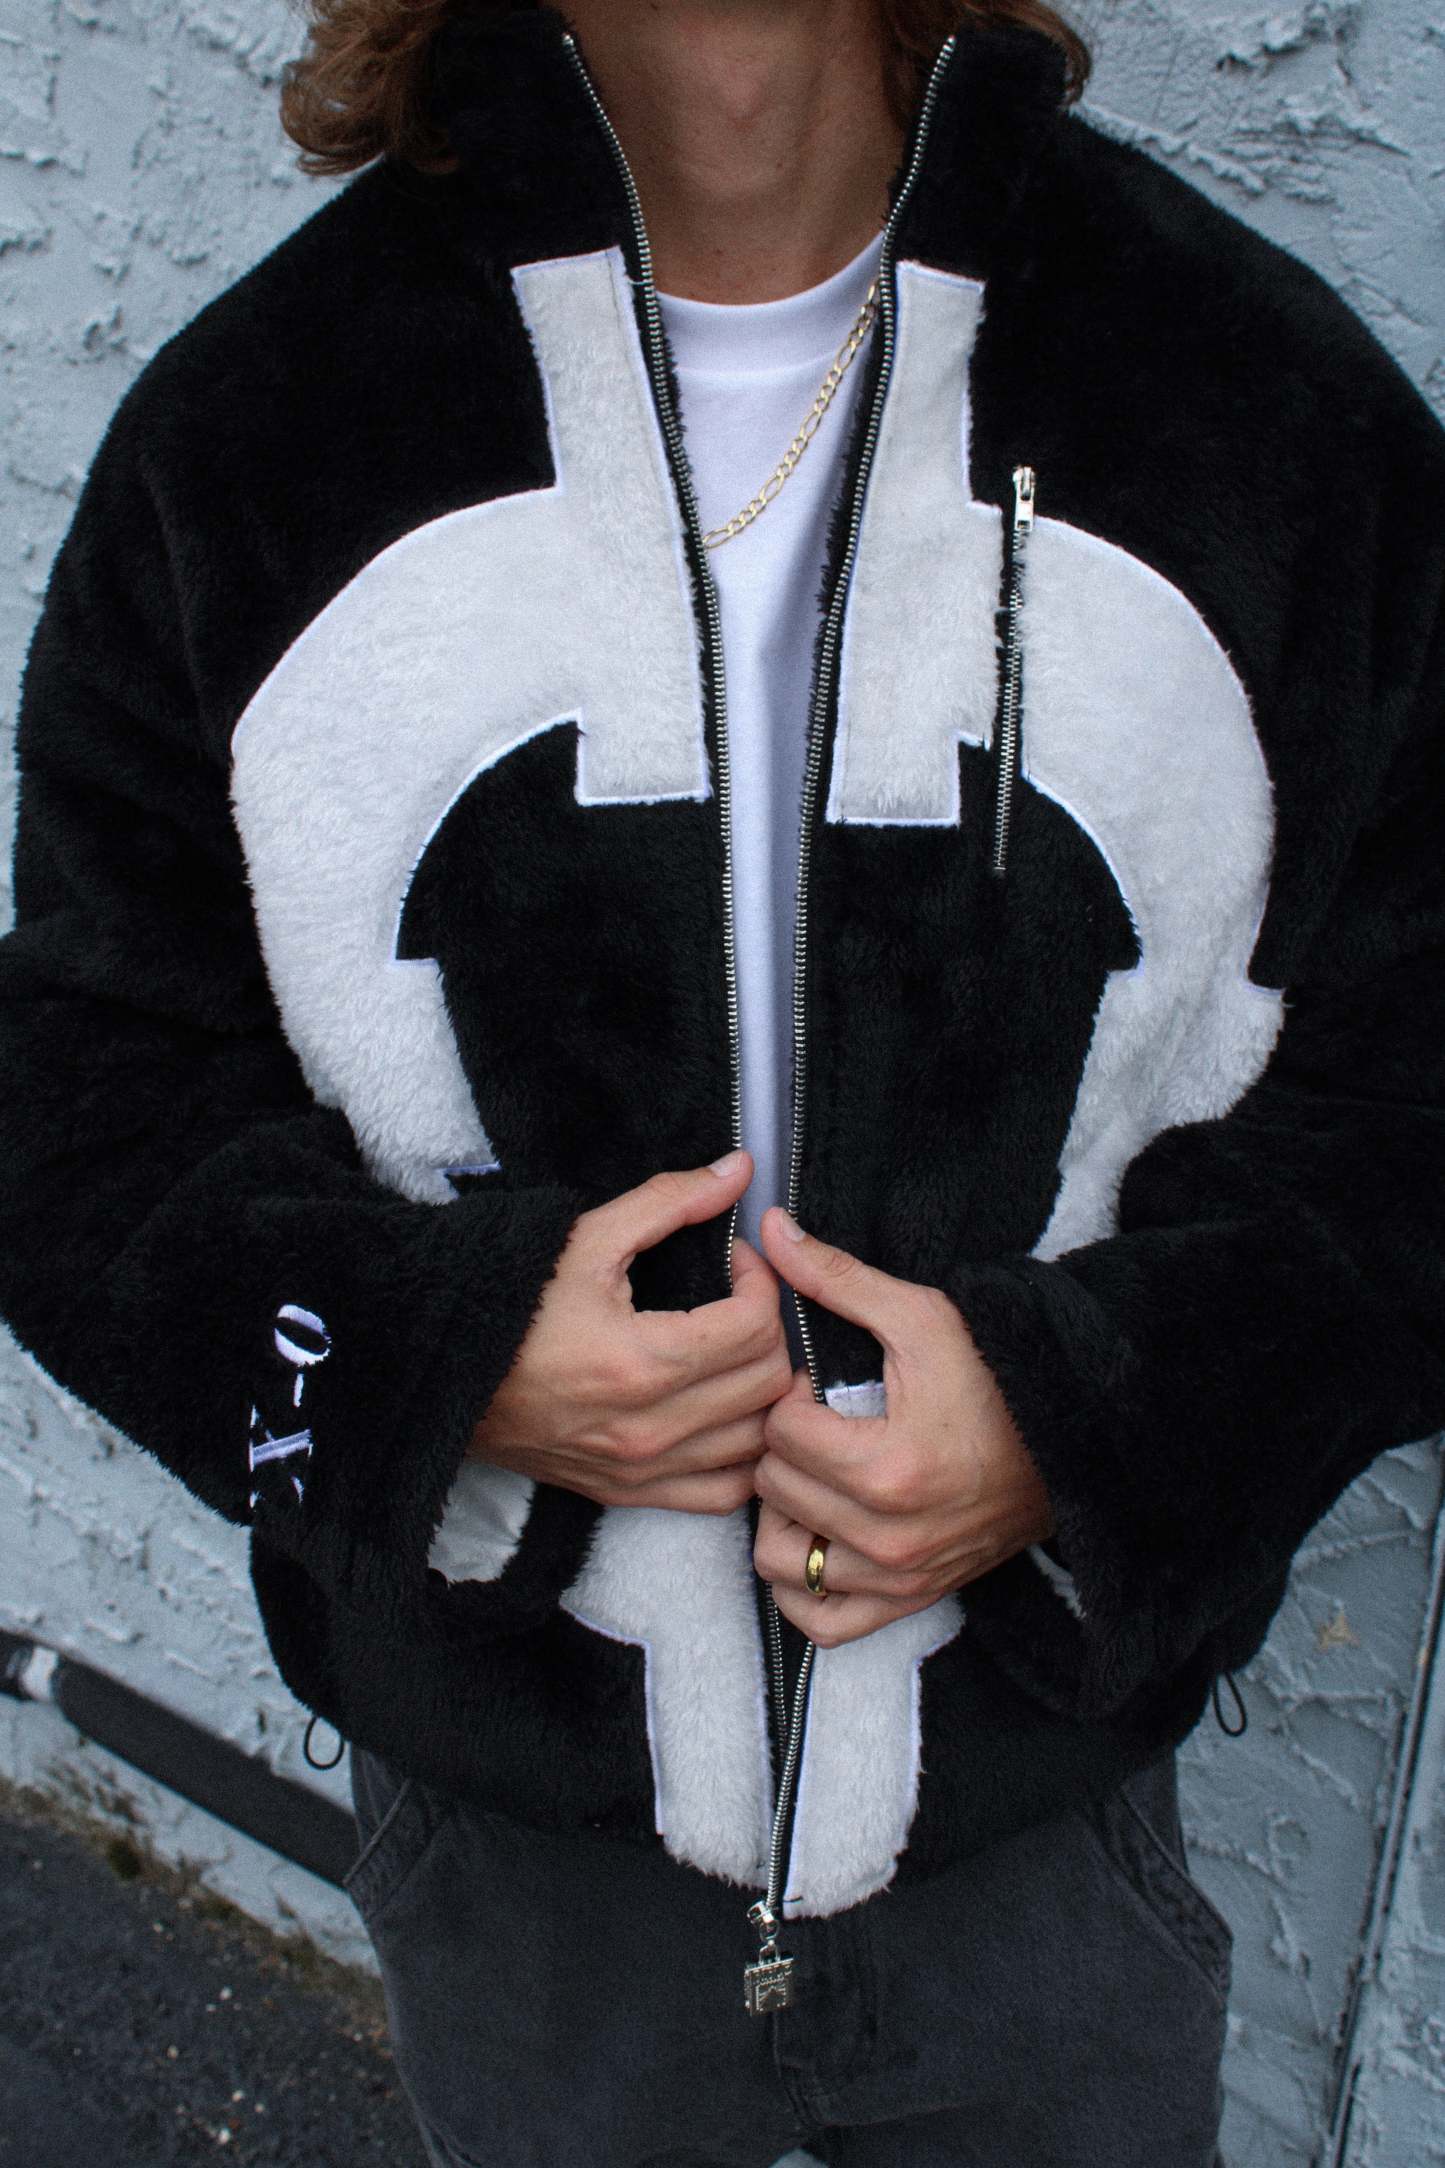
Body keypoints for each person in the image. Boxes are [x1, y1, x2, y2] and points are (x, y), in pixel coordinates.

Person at [1, 0, 1442, 2159]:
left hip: (1042, 1821)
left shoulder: (1257, 413)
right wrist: (431, 1365)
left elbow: (1412, 1101)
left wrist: (1086, 1422)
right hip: (517, 1840)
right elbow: (82, 1109)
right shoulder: (256, 441)